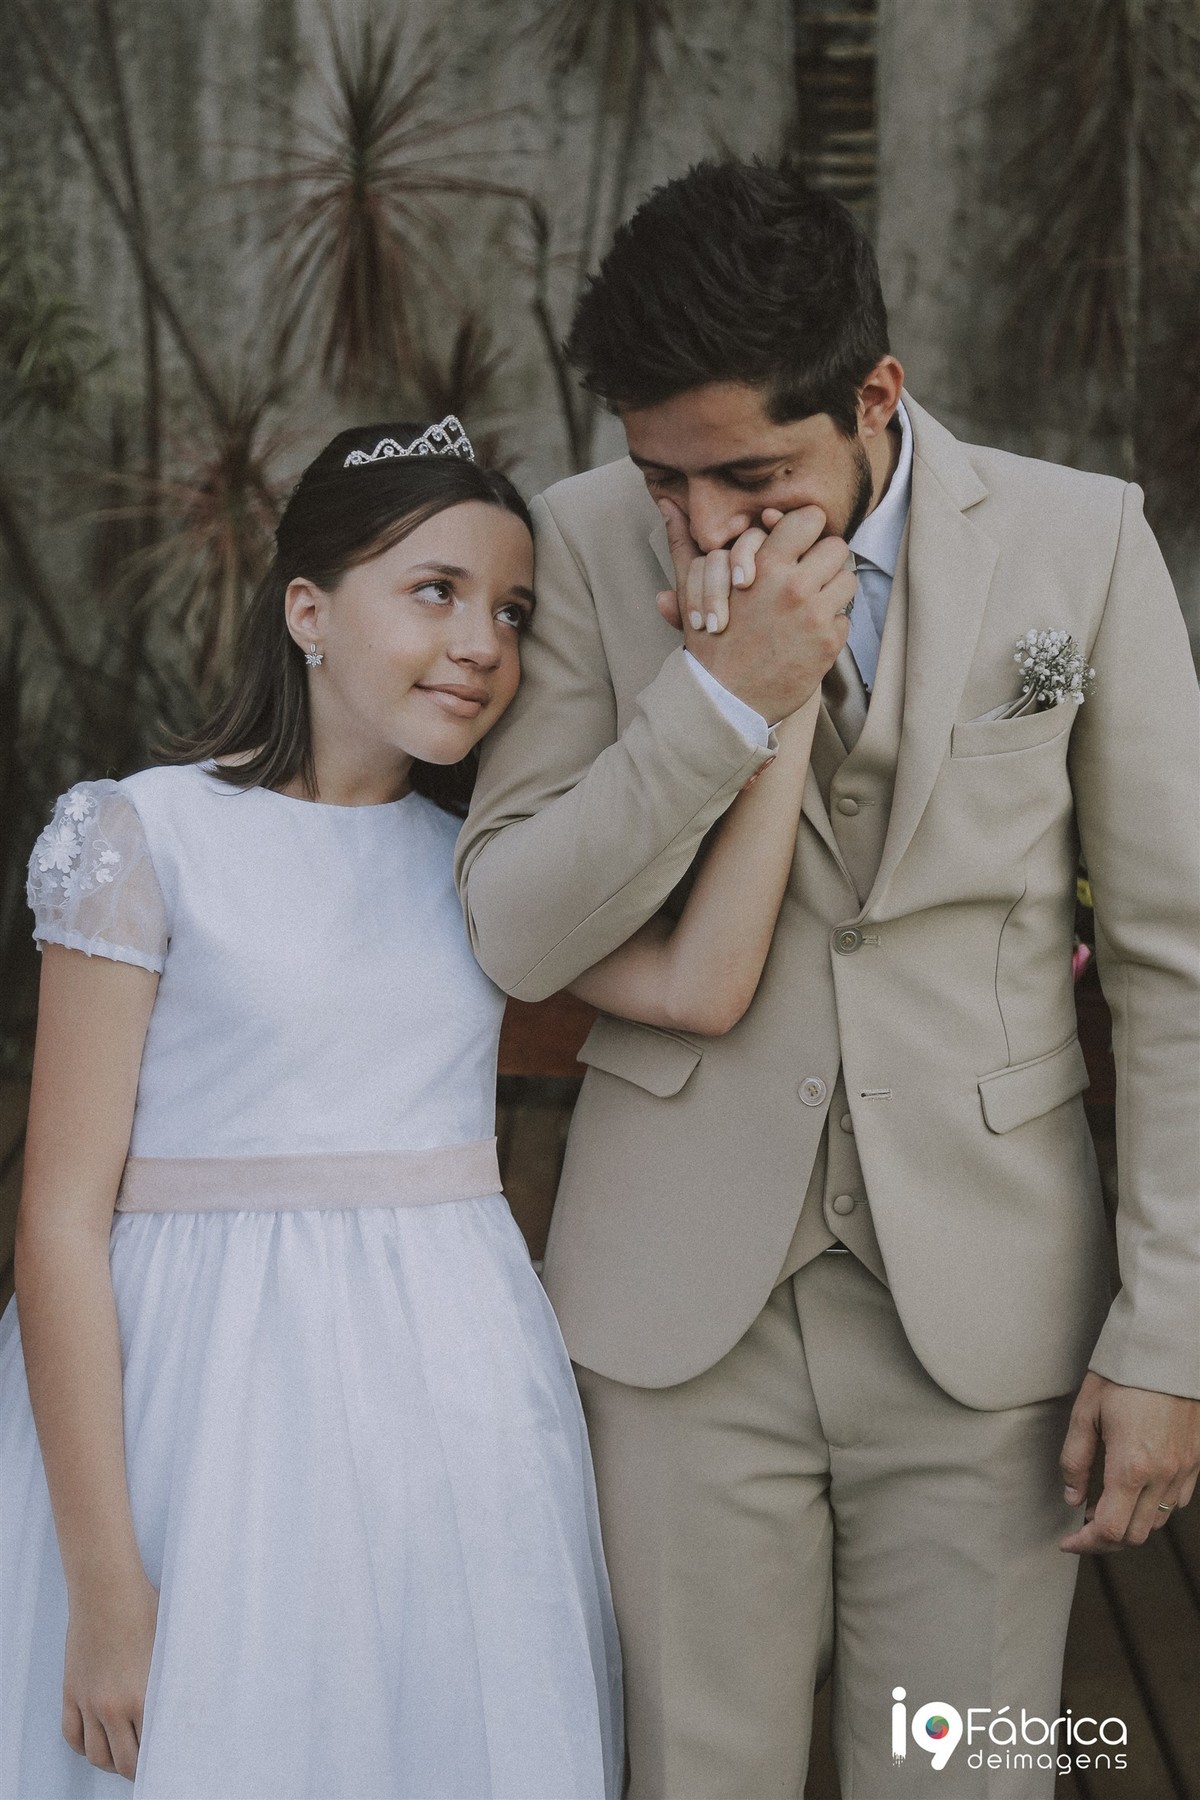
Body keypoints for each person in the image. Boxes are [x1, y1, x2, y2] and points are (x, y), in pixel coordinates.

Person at [455, 162, 1200, 1799]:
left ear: (876, 397)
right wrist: (719, 703)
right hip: (676, 1310)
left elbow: (1172, 966)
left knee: (967, 1772)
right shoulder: (584, 546)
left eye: (749, 474)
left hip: (991, 1318)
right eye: (666, 477)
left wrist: (1171, 1333)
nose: (704, 523)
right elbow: (516, 928)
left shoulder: (1078, 552)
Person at [1, 412, 827, 1799]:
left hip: (445, 1412)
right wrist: (106, 1580)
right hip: (200, 1419)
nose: (481, 643)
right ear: (310, 610)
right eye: (434, 592)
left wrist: (772, 702)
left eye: (510, 610)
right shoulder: (148, 835)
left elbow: (703, 982)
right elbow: (60, 1222)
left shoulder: (480, 871)